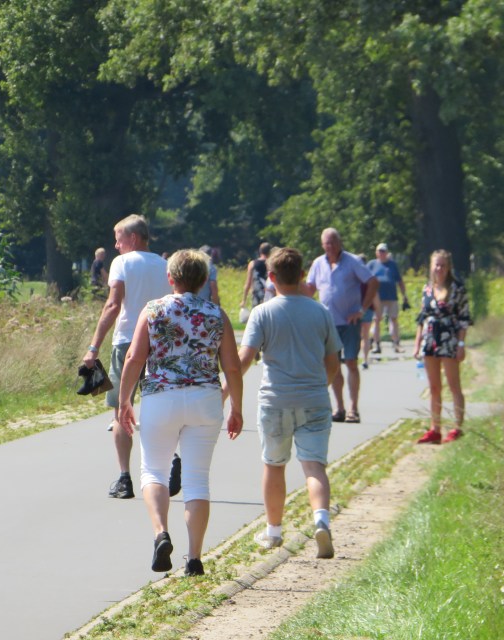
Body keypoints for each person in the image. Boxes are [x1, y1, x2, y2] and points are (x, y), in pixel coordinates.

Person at [117, 250, 243, 576]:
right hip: (205, 400)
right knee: (197, 480)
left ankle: (161, 532)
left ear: (170, 278)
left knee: (153, 472)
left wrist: (124, 400)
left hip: (161, 398)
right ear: (203, 280)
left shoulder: (153, 310)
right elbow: (232, 366)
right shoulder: (216, 314)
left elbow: (134, 357)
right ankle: (195, 558)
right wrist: (237, 407)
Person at [238, 247, 341, 559]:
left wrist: (225, 392)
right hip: (314, 398)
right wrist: (319, 386)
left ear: (271, 277)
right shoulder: (320, 312)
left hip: (275, 399)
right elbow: (333, 362)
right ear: (303, 275)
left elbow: (244, 360)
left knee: (274, 464)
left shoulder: (262, 313)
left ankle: (273, 531)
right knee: (314, 466)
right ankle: (321, 521)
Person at [82, 215, 171, 499]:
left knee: (122, 409)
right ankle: (170, 463)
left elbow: (113, 305)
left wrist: (94, 346)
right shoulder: (166, 265)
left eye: (119, 239)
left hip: (127, 342)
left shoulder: (122, 263)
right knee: (158, 408)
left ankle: (124, 478)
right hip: (159, 342)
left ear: (133, 238)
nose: (116, 245)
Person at [303, 228, 377, 424]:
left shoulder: (352, 261)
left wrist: (362, 309)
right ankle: (340, 408)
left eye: (334, 241)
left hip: (350, 321)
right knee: (332, 366)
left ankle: (354, 408)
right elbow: (310, 288)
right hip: (327, 323)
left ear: (340, 242)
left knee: (351, 362)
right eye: (327, 242)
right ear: (322, 245)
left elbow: (372, 282)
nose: (331, 246)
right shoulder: (318, 263)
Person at [413, 249, 472, 444]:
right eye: (436, 265)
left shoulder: (457, 289)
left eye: (443, 265)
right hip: (430, 340)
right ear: (431, 267)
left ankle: (457, 427)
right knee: (434, 387)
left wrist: (461, 344)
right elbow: (421, 318)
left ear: (448, 268)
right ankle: (435, 428)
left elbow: (464, 319)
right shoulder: (427, 289)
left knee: (454, 385)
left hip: (449, 340)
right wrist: (417, 344)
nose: (439, 269)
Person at [368, 242, 409, 355]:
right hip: (377, 297)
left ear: (387, 252)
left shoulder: (392, 265)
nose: (382, 253)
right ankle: (376, 344)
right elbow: (365, 280)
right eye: (380, 251)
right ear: (376, 253)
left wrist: (404, 295)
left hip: (391, 296)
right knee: (376, 320)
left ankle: (396, 343)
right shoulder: (372, 265)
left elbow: (399, 281)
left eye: (383, 251)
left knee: (394, 319)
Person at [240, 242, 272, 312]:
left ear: (260, 251)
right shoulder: (272, 264)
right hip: (270, 295)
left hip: (257, 294)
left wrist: (244, 300)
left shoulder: (253, 264)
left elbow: (248, 283)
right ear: (270, 252)